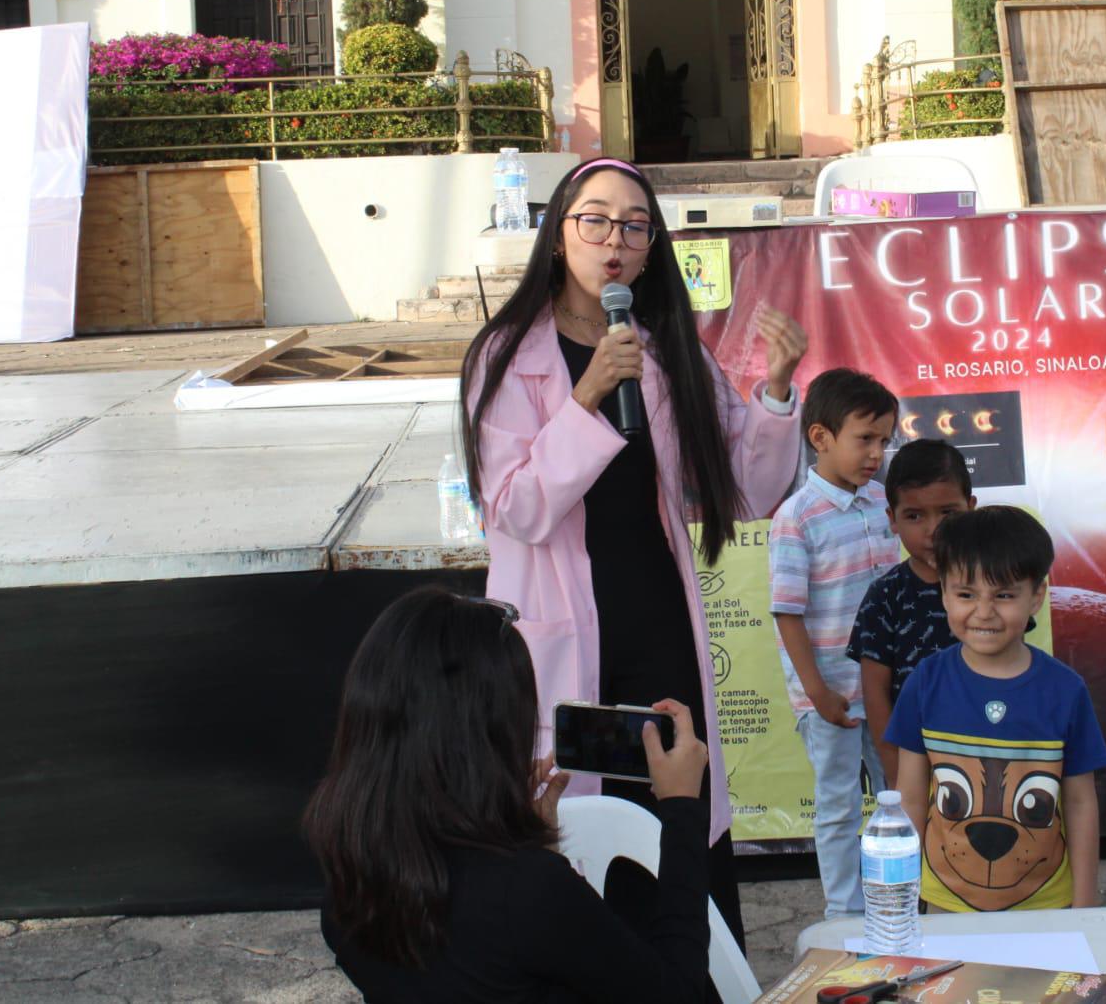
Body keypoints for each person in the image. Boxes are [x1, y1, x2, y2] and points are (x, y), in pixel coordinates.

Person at [458, 156, 806, 940]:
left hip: (657, 630)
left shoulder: (663, 350)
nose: (613, 240)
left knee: (671, 810)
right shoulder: (507, 355)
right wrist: (583, 402)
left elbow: (744, 481)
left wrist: (777, 390)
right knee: (580, 826)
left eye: (634, 225)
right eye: (595, 220)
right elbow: (514, 507)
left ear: (649, 251)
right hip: (564, 637)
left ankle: (693, 972)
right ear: (557, 236)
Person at [306, 587, 713, 1003]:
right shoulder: (528, 891)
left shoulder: (346, 889)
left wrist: (531, 845)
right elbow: (677, 992)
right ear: (495, 730)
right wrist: (681, 808)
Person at [886, 507, 1106, 913]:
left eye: (1004, 595)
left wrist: (1085, 903)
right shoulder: (925, 681)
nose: (984, 611)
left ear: (1036, 596)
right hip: (945, 903)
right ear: (944, 593)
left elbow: (1080, 803)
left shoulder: (1065, 690)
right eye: (966, 594)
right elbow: (912, 798)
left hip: (1046, 906)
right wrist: (904, 896)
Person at [768, 367, 899, 918]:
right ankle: (844, 912)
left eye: (884, 440)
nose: (876, 453)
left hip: (887, 690)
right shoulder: (796, 518)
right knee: (840, 804)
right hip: (831, 697)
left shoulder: (882, 502)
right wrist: (817, 691)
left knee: (899, 796)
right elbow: (788, 612)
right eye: (864, 439)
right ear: (820, 438)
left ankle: (901, 895)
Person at [845, 439, 975, 788]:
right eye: (915, 515)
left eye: (948, 513)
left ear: (971, 508)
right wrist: (894, 767)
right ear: (892, 520)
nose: (933, 530)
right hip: (915, 763)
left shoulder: (993, 587)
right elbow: (876, 693)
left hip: (992, 751)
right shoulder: (885, 596)